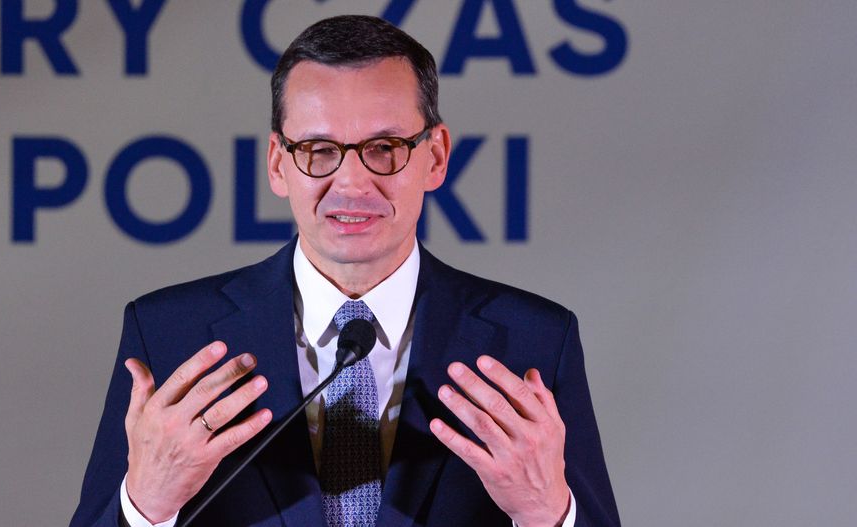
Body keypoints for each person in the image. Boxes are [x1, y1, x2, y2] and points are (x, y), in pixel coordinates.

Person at [71, 15, 619, 527]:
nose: (353, 183)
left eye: (384, 148)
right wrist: (147, 505)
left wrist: (546, 512)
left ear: (435, 157)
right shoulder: (170, 334)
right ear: (278, 164)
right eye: (318, 149)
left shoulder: (532, 342)